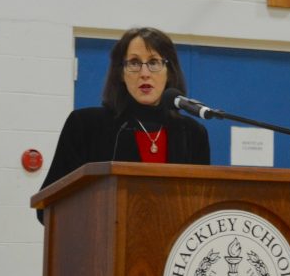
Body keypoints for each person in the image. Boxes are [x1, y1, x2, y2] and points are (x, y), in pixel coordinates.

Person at [37, 27, 211, 222]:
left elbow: (200, 207)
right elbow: (49, 205)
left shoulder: (192, 133)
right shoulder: (86, 126)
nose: (144, 73)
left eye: (154, 62)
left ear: (169, 72)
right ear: (121, 73)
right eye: (135, 63)